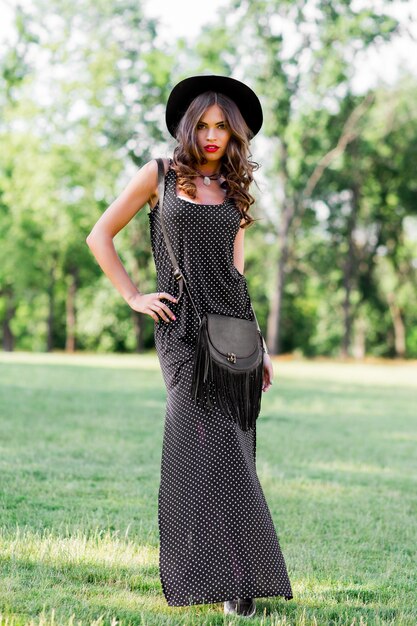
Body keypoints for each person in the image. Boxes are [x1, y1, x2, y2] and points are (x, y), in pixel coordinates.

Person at [86, 74, 293, 618]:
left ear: (236, 134)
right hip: (180, 334)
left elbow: (236, 272)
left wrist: (261, 346)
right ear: (186, 126)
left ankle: (238, 581)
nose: (211, 135)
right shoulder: (158, 175)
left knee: (236, 448)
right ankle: (219, 573)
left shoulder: (234, 190)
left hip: (231, 338)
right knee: (199, 448)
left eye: (222, 127)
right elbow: (98, 235)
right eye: (202, 125)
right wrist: (132, 295)